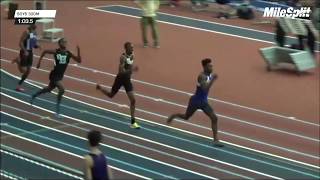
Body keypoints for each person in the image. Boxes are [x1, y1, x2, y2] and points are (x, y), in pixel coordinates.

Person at [167, 58, 223, 147]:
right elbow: (205, 88)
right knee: (186, 117)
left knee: (214, 118)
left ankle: (216, 140)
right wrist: (213, 80)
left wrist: (212, 78)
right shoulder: (201, 76)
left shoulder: (209, 75)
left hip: (204, 102)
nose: (212, 68)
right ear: (204, 67)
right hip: (195, 101)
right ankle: (174, 115)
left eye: (212, 66)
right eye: (209, 66)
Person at [30, 38, 81, 117]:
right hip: (54, 75)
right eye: (63, 42)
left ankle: (34, 95)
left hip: (60, 75)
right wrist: (39, 62)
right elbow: (45, 51)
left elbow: (79, 61)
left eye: (65, 42)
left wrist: (78, 51)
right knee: (62, 89)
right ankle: (57, 111)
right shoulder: (56, 51)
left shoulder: (68, 53)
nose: (65, 43)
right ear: (60, 43)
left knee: (49, 89)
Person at [96, 42, 140, 129]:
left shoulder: (132, 55)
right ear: (126, 48)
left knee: (133, 100)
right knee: (111, 95)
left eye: (133, 47)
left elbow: (130, 66)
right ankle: (100, 88)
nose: (132, 49)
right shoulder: (122, 57)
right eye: (131, 48)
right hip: (120, 79)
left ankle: (133, 122)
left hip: (127, 80)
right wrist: (132, 70)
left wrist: (131, 69)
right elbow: (121, 72)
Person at [12, 24, 41, 92]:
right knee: (23, 71)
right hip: (24, 52)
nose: (34, 29)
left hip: (30, 52)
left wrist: (37, 45)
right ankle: (17, 61)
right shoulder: (26, 32)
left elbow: (32, 44)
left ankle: (19, 86)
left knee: (28, 71)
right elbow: (20, 43)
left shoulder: (34, 33)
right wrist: (25, 51)